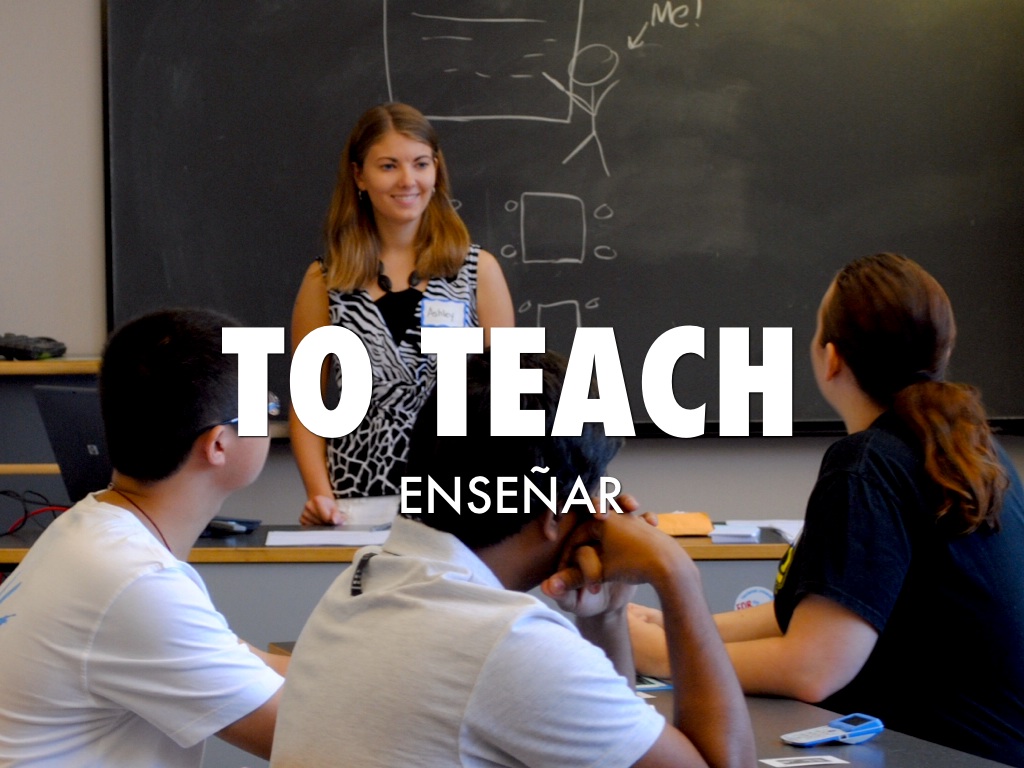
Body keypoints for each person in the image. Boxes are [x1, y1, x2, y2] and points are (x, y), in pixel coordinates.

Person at [629, 253, 1024, 766]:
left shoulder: (867, 464)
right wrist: (677, 627)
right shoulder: (970, 451)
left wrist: (662, 654)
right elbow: (824, 615)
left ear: (831, 358)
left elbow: (812, 666)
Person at [270, 351, 755, 768]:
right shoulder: (508, 642)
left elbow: (610, 756)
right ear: (556, 512)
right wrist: (676, 574)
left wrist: (606, 615)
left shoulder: (361, 584)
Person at [0, 308, 288, 767]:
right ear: (218, 445)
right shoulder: (136, 581)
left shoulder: (90, 529)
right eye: (269, 408)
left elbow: (254, 664)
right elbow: (316, 737)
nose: (275, 419)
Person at [291, 101, 515, 526]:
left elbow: (508, 401)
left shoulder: (477, 271)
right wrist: (321, 497)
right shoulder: (325, 280)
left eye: (420, 164)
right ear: (359, 175)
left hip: (459, 505)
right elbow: (307, 408)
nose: (408, 180)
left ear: (436, 171)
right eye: (389, 166)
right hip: (355, 506)